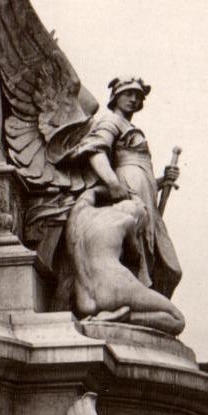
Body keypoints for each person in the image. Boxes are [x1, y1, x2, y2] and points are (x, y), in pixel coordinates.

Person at [65, 78, 181, 296]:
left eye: (138, 96)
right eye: (128, 93)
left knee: (167, 268)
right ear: (116, 96)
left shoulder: (131, 127)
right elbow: (95, 150)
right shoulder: (112, 120)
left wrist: (162, 181)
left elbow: (140, 172)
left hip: (145, 194)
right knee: (146, 260)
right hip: (128, 192)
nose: (134, 99)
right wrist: (112, 183)